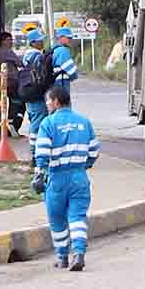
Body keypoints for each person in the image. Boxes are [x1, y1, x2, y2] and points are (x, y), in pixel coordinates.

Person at [32, 86, 100, 271]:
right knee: (77, 217)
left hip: (57, 178)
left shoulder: (48, 123)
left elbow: (43, 152)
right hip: (79, 177)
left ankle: (62, 257)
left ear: (55, 101)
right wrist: (85, 165)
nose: (46, 105)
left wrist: (39, 174)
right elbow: (94, 150)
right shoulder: (84, 122)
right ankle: (78, 253)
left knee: (57, 219)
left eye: (48, 101)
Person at [22, 29, 50, 161]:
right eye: (40, 40)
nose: (42, 42)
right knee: (38, 123)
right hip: (37, 93)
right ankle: (35, 154)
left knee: (34, 119)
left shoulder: (26, 56)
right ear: (33, 43)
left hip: (28, 93)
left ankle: (34, 151)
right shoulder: (36, 56)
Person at [0, 32, 25, 136]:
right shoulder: (7, 51)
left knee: (12, 104)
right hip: (12, 82)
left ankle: (11, 127)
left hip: (5, 83)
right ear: (3, 41)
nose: (11, 42)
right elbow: (20, 63)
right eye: (9, 40)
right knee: (19, 104)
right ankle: (13, 126)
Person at [52, 27, 79, 94]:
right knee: (65, 103)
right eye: (68, 38)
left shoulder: (54, 49)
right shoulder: (63, 50)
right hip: (62, 82)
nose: (70, 40)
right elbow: (71, 71)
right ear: (61, 38)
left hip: (54, 82)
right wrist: (74, 76)